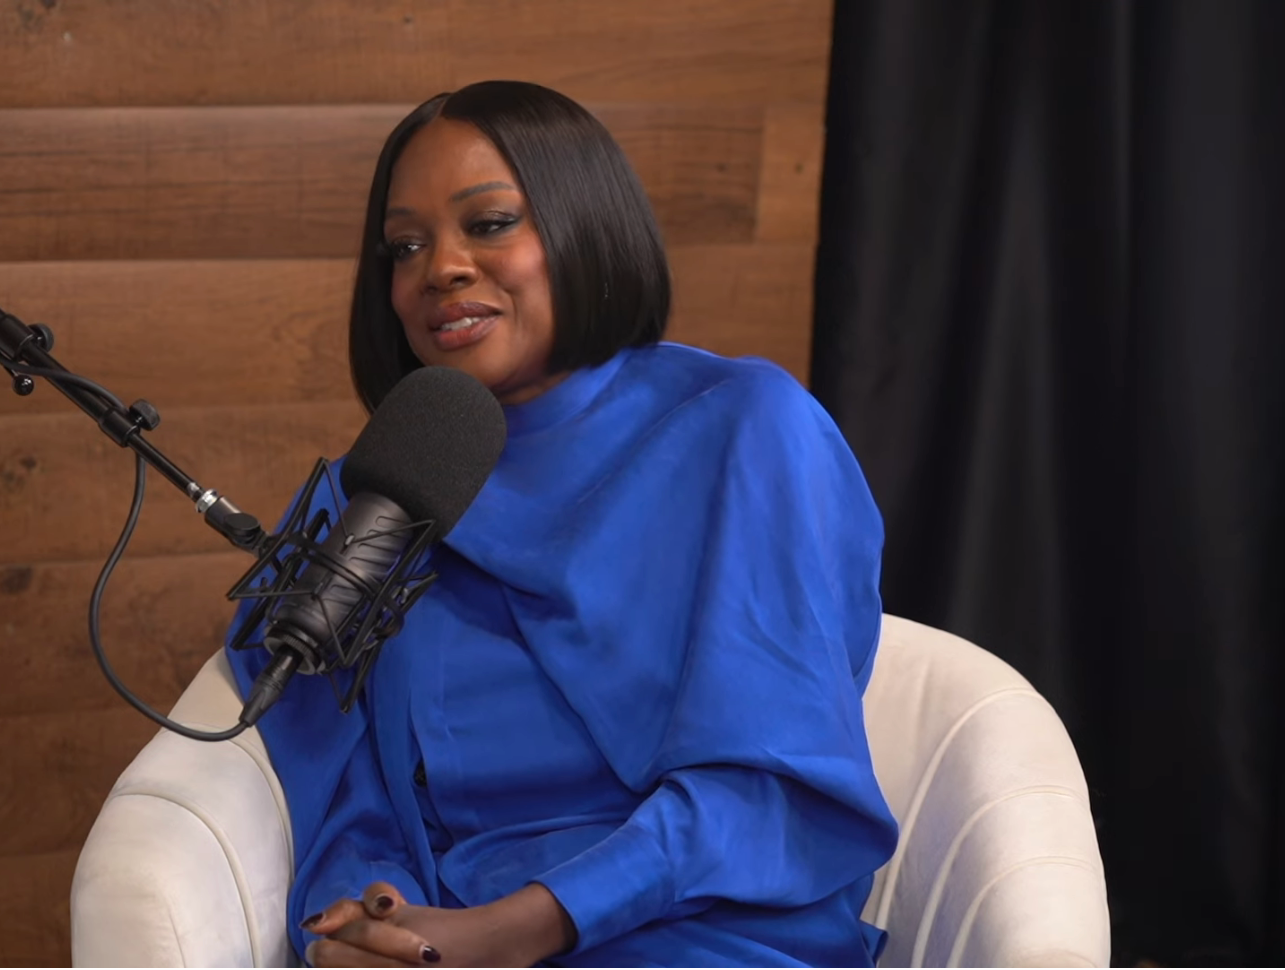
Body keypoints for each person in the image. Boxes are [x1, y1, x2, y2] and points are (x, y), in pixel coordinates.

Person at [224, 80, 898, 968]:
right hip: (450, 928)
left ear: (585, 224)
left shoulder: (746, 429)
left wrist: (514, 931)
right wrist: (366, 920)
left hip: (699, 929)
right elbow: (333, 779)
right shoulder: (380, 488)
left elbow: (773, 785)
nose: (442, 268)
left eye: (490, 223)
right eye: (406, 246)